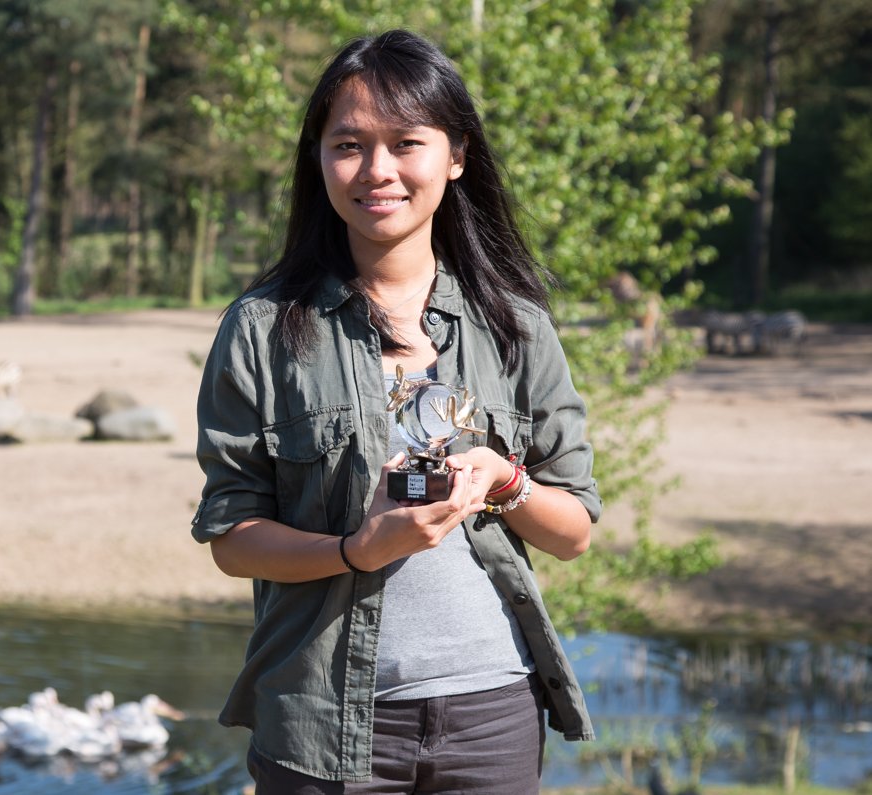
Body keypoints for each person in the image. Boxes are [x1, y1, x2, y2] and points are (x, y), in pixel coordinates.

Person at [192, 29, 600, 794]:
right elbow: (233, 539)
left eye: (405, 141)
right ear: (319, 161)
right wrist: (358, 548)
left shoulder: (515, 324)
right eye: (349, 144)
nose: (377, 170)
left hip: (493, 715)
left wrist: (506, 481)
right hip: (321, 719)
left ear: (456, 155)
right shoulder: (260, 328)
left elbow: (573, 531)